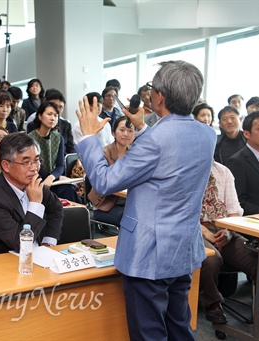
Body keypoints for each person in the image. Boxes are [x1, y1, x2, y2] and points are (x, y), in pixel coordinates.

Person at [75, 60, 215, 340]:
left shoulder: (156, 140)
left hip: (150, 252)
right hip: (183, 247)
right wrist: (143, 129)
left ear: (159, 97)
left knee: (149, 333)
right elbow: (170, 149)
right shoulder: (207, 134)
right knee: (179, 326)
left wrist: (89, 137)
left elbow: (104, 182)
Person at [198, 160, 259, 341]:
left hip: (225, 228)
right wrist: (206, 233)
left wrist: (229, 230)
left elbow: (234, 209)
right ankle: (212, 304)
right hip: (195, 230)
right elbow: (183, 212)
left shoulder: (223, 171)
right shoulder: (183, 170)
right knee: (211, 259)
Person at [0, 133, 63, 257]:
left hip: (37, 256)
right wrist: (35, 204)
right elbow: (21, 244)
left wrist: (48, 242)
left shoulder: (33, 182)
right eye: (26, 163)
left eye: (37, 161)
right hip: (1, 264)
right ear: (6, 165)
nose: (34, 168)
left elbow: (56, 208)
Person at [28, 102, 81, 203]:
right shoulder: (30, 138)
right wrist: (56, 177)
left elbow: (60, 165)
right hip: (37, 179)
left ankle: (79, 214)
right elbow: (33, 166)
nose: (53, 118)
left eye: (56, 115)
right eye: (49, 114)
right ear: (40, 116)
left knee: (68, 189)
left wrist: (51, 178)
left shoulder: (58, 137)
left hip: (53, 179)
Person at [87, 116, 134, 226]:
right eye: (122, 130)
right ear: (113, 133)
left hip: (127, 202)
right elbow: (103, 183)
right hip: (106, 204)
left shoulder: (134, 155)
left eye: (130, 130)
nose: (126, 134)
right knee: (132, 217)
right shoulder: (103, 153)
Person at [26, 88, 76, 154]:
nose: (57, 109)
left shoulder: (66, 125)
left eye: (60, 107)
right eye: (54, 106)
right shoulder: (32, 124)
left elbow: (70, 148)